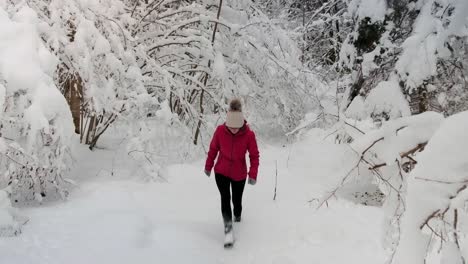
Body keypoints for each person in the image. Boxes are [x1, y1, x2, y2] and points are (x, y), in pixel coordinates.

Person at [204, 98, 260, 236]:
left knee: (236, 200)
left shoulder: (249, 135)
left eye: (236, 127)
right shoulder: (220, 131)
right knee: (225, 197)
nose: (234, 130)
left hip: (239, 174)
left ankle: (238, 214)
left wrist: (252, 174)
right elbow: (213, 149)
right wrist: (208, 166)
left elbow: (254, 156)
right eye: (231, 127)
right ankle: (228, 230)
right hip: (221, 171)